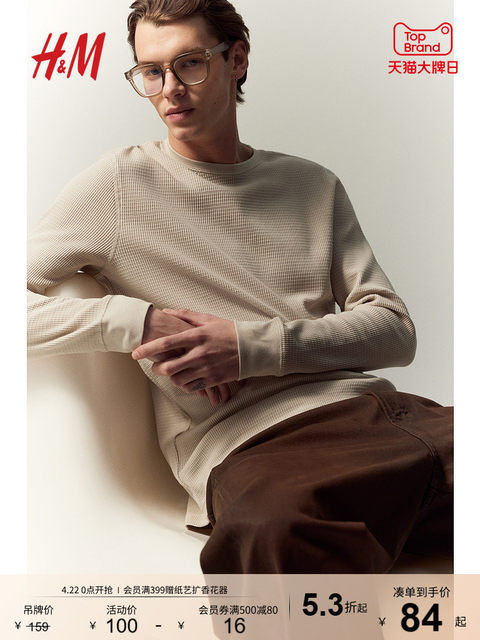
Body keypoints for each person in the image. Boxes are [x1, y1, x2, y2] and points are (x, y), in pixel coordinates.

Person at [27, 0, 452, 574]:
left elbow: (395, 332)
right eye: (151, 71)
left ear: (238, 60)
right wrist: (137, 321)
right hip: (258, 447)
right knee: (275, 535)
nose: (170, 89)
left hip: (389, 416)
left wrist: (250, 346)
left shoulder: (312, 185)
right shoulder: (119, 185)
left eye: (190, 63)